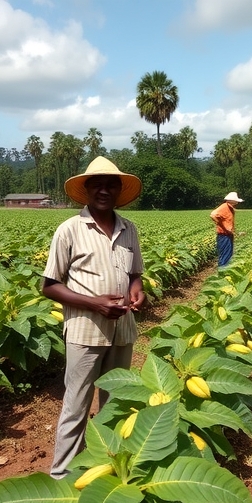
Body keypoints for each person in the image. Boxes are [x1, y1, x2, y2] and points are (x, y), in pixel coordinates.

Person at [42, 156, 146, 479]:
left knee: (115, 404)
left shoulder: (130, 230)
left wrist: (137, 290)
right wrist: (94, 304)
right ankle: (61, 475)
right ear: (86, 189)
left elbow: (135, 274)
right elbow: (49, 286)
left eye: (110, 184)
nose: (104, 189)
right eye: (97, 184)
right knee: (76, 406)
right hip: (85, 333)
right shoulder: (69, 230)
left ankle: (108, 468)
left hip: (122, 331)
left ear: (119, 190)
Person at [210, 191, 243, 266]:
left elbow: (228, 222)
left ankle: (225, 272)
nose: (237, 203)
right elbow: (213, 215)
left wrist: (235, 232)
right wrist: (222, 225)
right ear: (232, 201)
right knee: (225, 256)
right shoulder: (224, 206)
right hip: (223, 236)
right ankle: (222, 274)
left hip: (228, 235)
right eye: (236, 201)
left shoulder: (230, 208)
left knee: (228, 255)